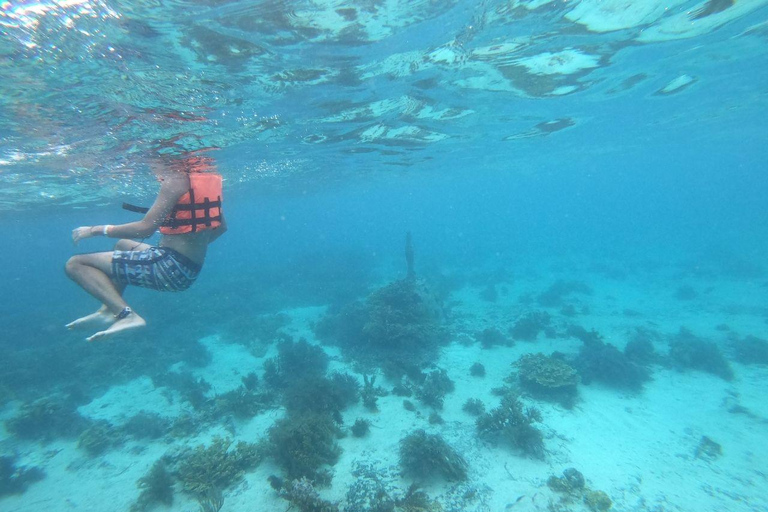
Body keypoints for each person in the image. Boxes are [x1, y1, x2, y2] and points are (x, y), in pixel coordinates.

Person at [65, 155, 227, 342]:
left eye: (152, 164)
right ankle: (108, 309)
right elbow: (222, 227)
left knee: (75, 264)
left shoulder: (175, 180)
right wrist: (191, 246)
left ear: (163, 159)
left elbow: (145, 228)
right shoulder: (207, 182)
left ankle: (126, 315)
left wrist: (96, 230)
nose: (152, 169)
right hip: (189, 270)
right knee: (122, 245)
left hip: (168, 269)